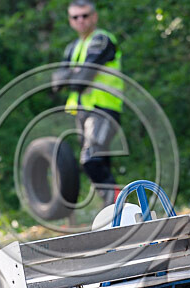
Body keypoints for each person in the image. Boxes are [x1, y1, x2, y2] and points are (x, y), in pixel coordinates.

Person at [52, 0, 124, 206]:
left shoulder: (102, 40)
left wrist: (72, 75)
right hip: (82, 112)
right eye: (75, 17)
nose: (81, 20)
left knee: (90, 160)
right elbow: (56, 81)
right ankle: (117, 215)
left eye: (85, 15)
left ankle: (119, 206)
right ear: (70, 21)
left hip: (104, 109)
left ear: (94, 17)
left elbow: (80, 79)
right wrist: (72, 75)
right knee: (101, 163)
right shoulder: (73, 47)